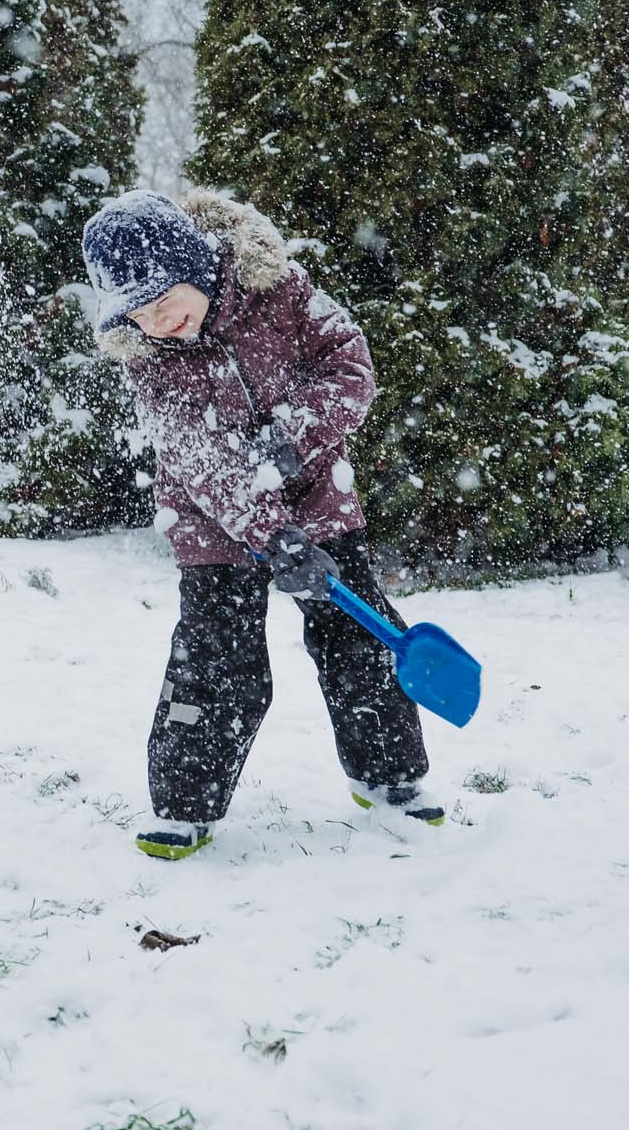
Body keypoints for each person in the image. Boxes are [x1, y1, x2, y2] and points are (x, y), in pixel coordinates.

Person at [82, 190, 444, 861]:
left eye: (165, 301)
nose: (160, 323)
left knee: (359, 639)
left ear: (196, 263)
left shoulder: (281, 291)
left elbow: (351, 368)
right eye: (140, 313)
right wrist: (271, 535)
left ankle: (390, 776)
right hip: (214, 517)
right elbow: (197, 456)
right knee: (215, 660)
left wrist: (290, 438)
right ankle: (184, 806)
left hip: (316, 494)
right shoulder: (152, 361)